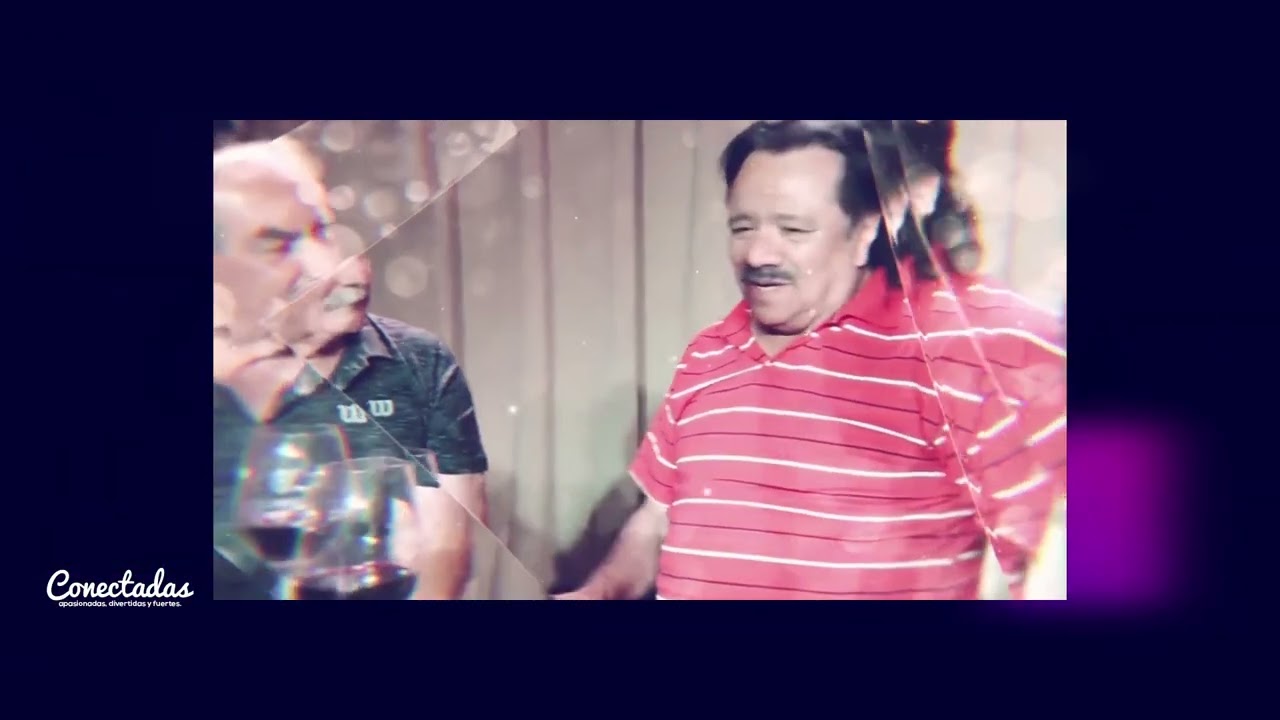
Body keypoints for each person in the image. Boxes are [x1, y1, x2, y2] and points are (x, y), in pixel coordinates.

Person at [558, 120, 1066, 600]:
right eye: (742, 227)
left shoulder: (977, 346)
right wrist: (598, 591)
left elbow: (1064, 554)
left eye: (793, 230)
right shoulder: (708, 352)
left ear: (869, 227)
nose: (758, 254)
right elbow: (657, 519)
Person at [213, 138, 489, 600]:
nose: (324, 264)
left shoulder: (417, 361)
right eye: (277, 246)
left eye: (321, 232)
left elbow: (447, 552)